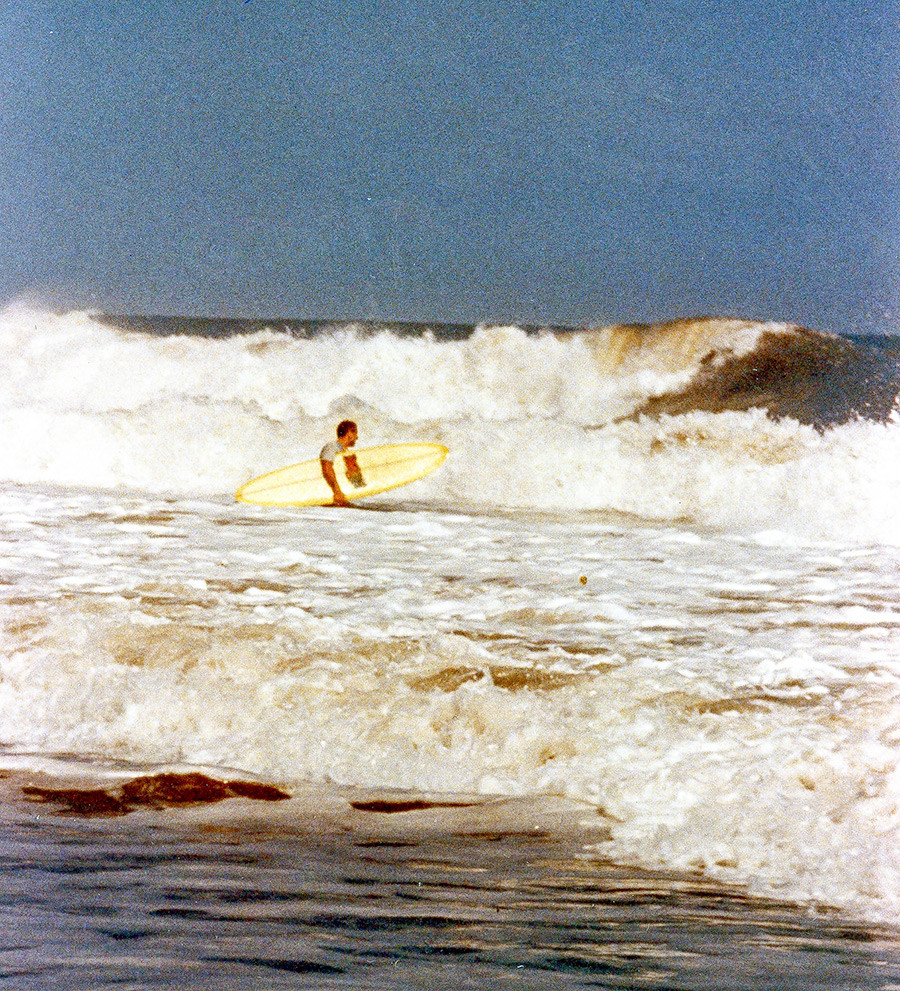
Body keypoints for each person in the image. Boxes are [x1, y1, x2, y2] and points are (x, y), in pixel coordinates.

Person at [319, 420, 362, 506]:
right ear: (349, 433)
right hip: (333, 498)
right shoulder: (332, 447)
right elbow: (326, 467)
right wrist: (336, 491)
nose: (357, 437)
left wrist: (354, 468)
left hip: (341, 498)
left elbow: (357, 484)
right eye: (355, 433)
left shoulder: (345, 452)